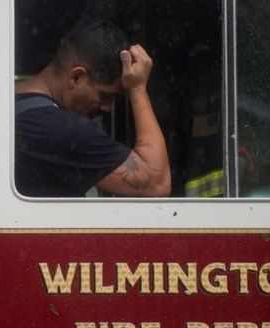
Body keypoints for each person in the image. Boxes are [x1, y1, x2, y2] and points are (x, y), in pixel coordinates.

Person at [15, 20, 171, 197]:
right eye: (105, 96)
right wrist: (138, 89)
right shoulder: (62, 128)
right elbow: (157, 183)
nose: (107, 108)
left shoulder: (7, 103)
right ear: (77, 77)